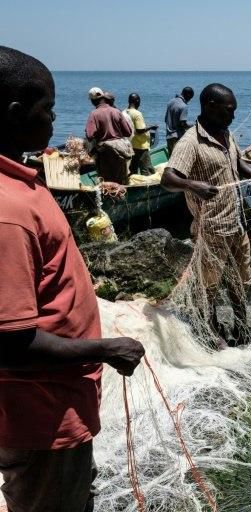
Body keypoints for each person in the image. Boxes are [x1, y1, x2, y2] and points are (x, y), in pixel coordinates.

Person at [0, 45, 145, 511]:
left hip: (55, 408)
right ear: (16, 113)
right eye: (49, 108)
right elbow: (10, 342)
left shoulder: (20, 183)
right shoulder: (9, 211)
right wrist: (105, 348)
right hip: (41, 419)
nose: (56, 118)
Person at [160, 83, 251, 348]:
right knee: (208, 286)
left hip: (237, 224)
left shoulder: (225, 133)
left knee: (241, 280)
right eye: (229, 110)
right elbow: (167, 178)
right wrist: (192, 185)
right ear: (210, 106)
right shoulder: (191, 142)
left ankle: (241, 327)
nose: (232, 115)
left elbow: (237, 162)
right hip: (211, 229)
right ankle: (208, 330)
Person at [85, 87, 134, 184]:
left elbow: (89, 135)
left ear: (92, 101)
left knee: (107, 182)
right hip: (120, 151)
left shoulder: (94, 114)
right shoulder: (117, 111)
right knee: (121, 181)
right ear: (103, 97)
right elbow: (128, 132)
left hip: (105, 154)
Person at [125, 93, 158, 175]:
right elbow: (140, 130)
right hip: (141, 146)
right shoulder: (137, 114)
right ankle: (147, 186)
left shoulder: (124, 112)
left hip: (130, 145)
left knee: (132, 170)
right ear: (137, 101)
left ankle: (132, 185)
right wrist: (151, 127)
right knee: (146, 170)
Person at [165, 86, 194, 154]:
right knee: (178, 160)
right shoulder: (184, 106)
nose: (189, 100)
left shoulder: (170, 102)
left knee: (171, 160)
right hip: (177, 138)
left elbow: (166, 119)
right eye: (190, 98)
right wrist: (193, 124)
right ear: (188, 95)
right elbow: (183, 124)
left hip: (168, 137)